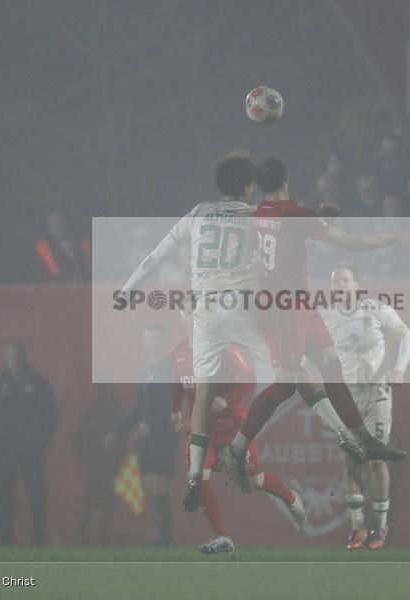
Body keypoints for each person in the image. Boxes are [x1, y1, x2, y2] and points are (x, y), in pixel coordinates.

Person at [218, 157, 410, 494]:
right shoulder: (297, 213)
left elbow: (282, 239)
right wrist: (393, 238)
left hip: (299, 304)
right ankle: (235, 449)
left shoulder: (261, 212)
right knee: (286, 385)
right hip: (286, 306)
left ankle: (364, 438)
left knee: (330, 367)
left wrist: (318, 220)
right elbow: (348, 243)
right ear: (287, 179)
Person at [119, 151, 275, 512]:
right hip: (242, 308)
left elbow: (154, 256)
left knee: (204, 391)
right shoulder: (257, 215)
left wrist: (128, 289)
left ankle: (193, 476)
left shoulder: (197, 213)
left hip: (204, 311)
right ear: (249, 186)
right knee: (285, 378)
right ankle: (238, 450)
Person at [172, 309, 307, 554]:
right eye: (187, 313)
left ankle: (291, 498)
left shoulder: (224, 348)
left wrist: (226, 399)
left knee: (255, 480)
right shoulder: (179, 351)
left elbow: (249, 379)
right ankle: (221, 536)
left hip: (232, 426)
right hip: (202, 430)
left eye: (197, 313)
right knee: (196, 480)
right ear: (181, 317)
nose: (192, 317)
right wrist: (175, 409)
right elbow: (179, 382)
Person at [320, 263, 410, 551]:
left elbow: (408, 336)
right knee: (351, 459)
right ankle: (357, 526)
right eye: (336, 282)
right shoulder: (325, 315)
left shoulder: (377, 309)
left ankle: (381, 525)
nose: (341, 286)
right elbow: (310, 349)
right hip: (346, 396)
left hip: (376, 394)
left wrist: (399, 369)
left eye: (346, 280)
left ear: (357, 284)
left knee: (376, 459)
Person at [0, 342, 58, 545]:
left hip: (32, 451)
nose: (16, 362)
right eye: (12, 358)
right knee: (4, 498)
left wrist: (42, 440)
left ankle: (38, 540)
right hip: (5, 452)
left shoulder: (40, 385)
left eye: (19, 357)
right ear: (7, 361)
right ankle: (6, 541)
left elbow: (52, 416)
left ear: (26, 359)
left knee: (37, 496)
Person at [109, 325, 178, 546]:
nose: (151, 345)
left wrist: (150, 424)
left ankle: (166, 538)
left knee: (158, 483)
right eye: (147, 340)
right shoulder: (147, 371)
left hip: (163, 434)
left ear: (164, 342)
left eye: (155, 340)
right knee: (149, 483)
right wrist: (119, 433)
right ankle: (163, 535)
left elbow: (169, 404)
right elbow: (139, 407)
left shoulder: (169, 369)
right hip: (147, 436)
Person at [72, 384, 126, 546]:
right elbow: (81, 436)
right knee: (97, 498)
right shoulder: (99, 408)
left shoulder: (105, 408)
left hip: (105, 463)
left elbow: (121, 437)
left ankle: (95, 530)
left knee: (101, 498)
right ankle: (89, 530)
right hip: (99, 463)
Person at [34, 212, 91, 283]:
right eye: (54, 224)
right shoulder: (44, 248)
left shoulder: (82, 243)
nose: (58, 227)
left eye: (60, 223)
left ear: (66, 224)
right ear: (49, 228)